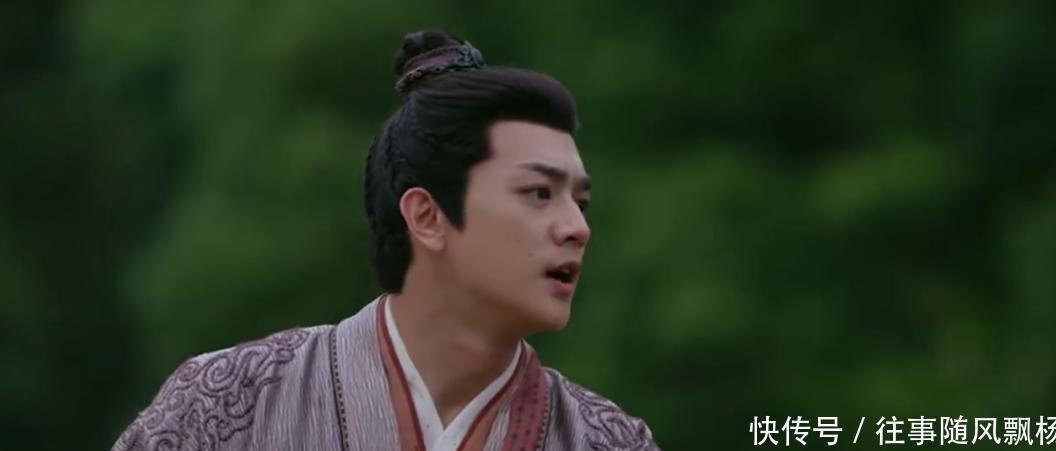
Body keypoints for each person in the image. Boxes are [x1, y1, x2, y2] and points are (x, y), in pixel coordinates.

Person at [112, 30, 657, 451]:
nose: (576, 227)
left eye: (580, 203)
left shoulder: (606, 441)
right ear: (427, 216)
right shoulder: (229, 402)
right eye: (539, 193)